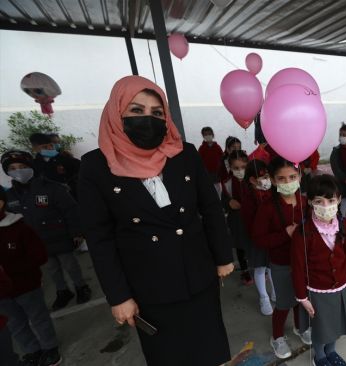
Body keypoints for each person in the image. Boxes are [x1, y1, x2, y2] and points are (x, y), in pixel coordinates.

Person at [77, 76, 234, 365]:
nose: (147, 119)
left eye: (157, 113)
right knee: (169, 355)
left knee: (210, 347)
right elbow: (100, 238)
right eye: (136, 111)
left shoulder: (184, 153)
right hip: (149, 286)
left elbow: (210, 207)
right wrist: (118, 296)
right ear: (117, 112)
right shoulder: (95, 168)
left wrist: (223, 256)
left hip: (198, 276)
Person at [2, 150, 91, 311]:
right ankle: (62, 291)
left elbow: (70, 210)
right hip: (37, 242)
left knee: (70, 264)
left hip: (60, 236)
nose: (18, 171)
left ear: (31, 167)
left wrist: (77, 232)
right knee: (51, 269)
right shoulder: (10, 196)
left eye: (22, 166)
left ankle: (81, 286)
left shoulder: (51, 188)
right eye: (13, 168)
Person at [292, 175, 346, 366]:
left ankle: (331, 351)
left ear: (339, 200)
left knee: (335, 322)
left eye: (331, 200)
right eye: (319, 201)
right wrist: (302, 297)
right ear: (310, 202)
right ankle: (319, 356)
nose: (326, 205)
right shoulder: (303, 232)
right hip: (317, 290)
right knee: (321, 327)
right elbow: (297, 267)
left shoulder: (344, 226)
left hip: (341, 286)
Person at [252, 158, 311, 359]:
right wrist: (284, 234)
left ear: (300, 177)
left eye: (292, 177)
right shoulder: (267, 207)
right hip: (281, 263)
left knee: (300, 298)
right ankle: (277, 336)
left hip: (303, 263)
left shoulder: (305, 202)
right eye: (282, 178)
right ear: (274, 181)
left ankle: (299, 327)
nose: (288, 182)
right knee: (284, 302)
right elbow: (259, 239)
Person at [0, 189, 62, 366]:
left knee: (38, 318)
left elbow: (39, 255)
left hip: (26, 286)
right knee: (14, 324)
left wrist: (10, 269)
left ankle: (50, 348)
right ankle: (32, 350)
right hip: (2, 293)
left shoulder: (18, 226)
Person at [240, 159, 276, 316]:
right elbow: (249, 223)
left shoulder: (271, 192)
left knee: (272, 267)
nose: (267, 180)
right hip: (256, 239)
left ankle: (275, 292)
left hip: (272, 237)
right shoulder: (248, 197)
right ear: (252, 180)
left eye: (268, 175)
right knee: (260, 268)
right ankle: (264, 297)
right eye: (263, 177)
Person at [221, 150, 254, 286]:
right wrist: (229, 202)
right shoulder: (227, 183)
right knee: (240, 246)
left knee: (254, 243)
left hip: (253, 219)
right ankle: (245, 271)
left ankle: (259, 268)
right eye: (236, 168)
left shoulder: (253, 179)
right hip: (237, 220)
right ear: (230, 168)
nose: (240, 171)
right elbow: (223, 200)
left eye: (243, 167)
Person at [29, 132, 81, 198]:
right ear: (35, 149)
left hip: (72, 197)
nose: (50, 148)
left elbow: (83, 169)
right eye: (45, 147)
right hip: (51, 200)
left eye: (51, 145)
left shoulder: (64, 158)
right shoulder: (35, 164)